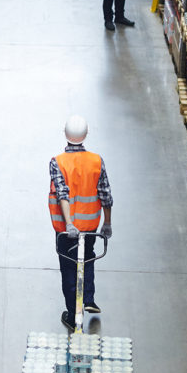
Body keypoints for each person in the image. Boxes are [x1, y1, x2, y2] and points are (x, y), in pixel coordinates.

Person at [49, 115, 113, 329]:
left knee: (68, 267)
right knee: (87, 259)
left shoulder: (58, 162)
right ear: (85, 136)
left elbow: (62, 194)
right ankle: (88, 299)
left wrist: (69, 224)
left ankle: (72, 313)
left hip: (66, 230)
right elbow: (105, 194)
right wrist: (107, 223)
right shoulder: (96, 160)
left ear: (65, 135)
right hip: (90, 226)